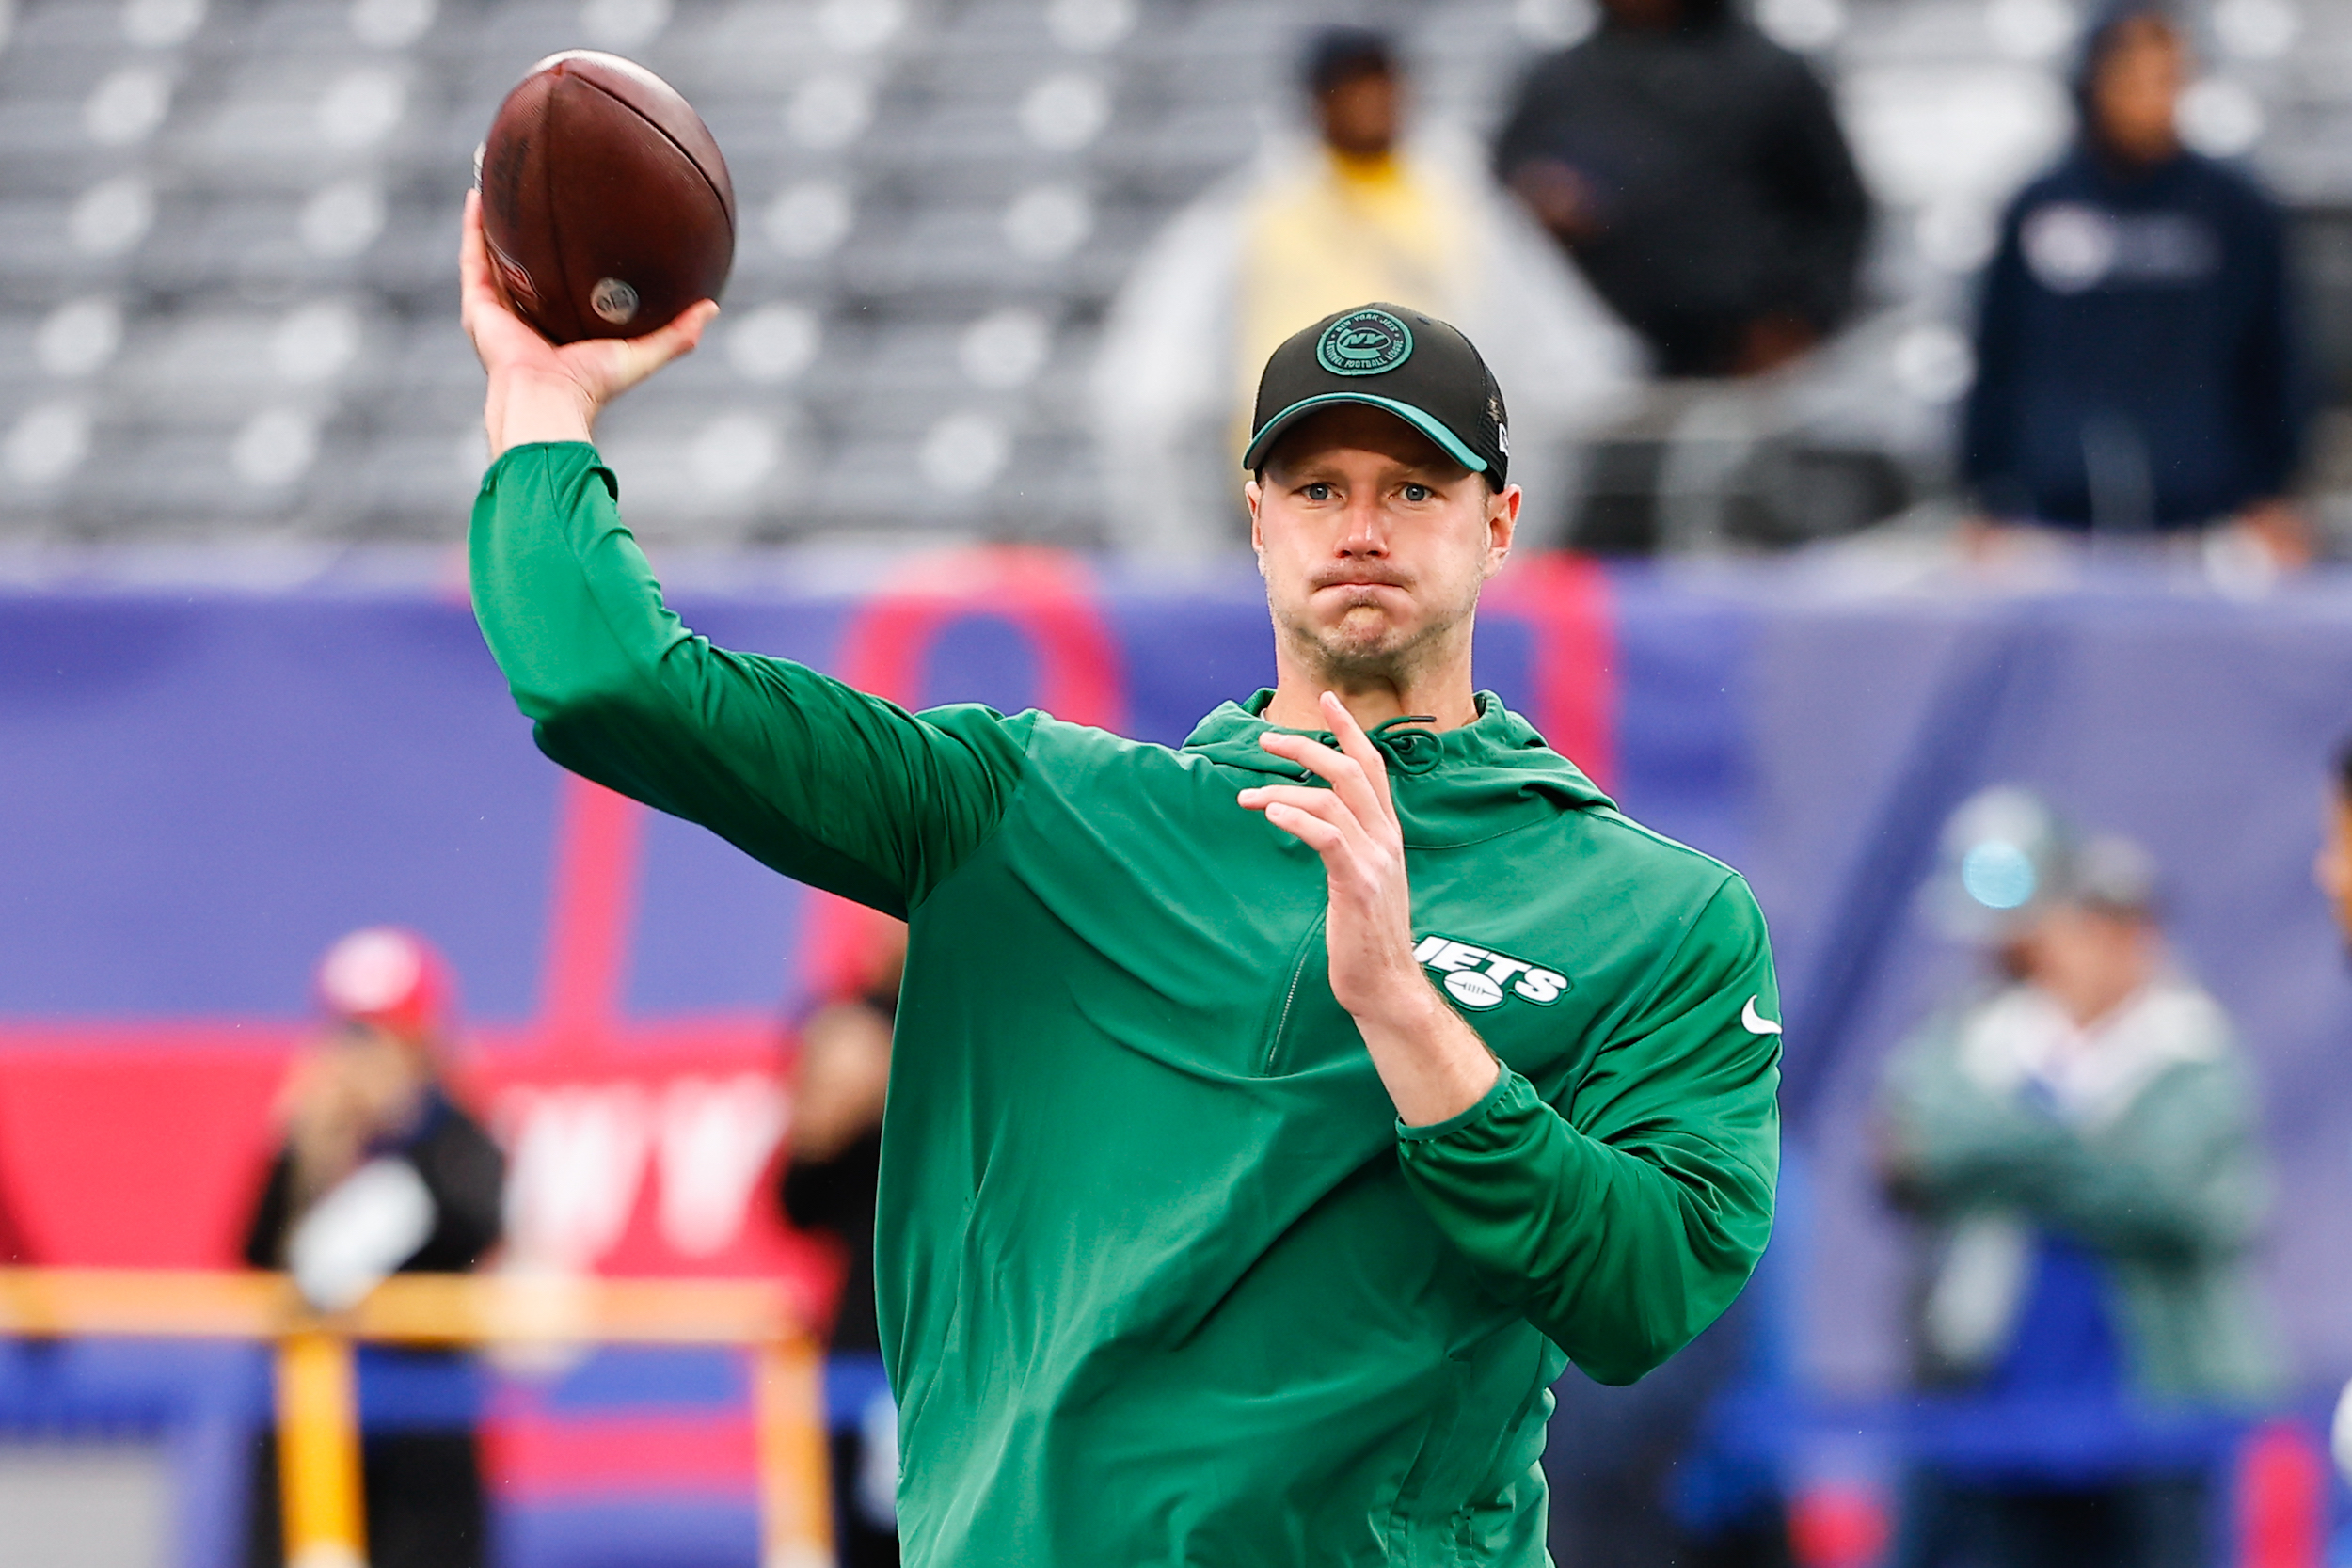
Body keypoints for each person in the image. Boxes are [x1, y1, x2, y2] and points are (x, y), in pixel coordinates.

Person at [462, 175, 1783, 1563]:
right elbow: (611, 683)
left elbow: (1648, 1291)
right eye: (1318, 485)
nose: (1364, 527)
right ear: (1257, 516)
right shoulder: (1027, 812)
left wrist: (1404, 1008)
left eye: (1415, 488)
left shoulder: (1655, 911)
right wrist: (541, 404)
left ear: (1500, 521)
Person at [1878, 791, 2275, 1568]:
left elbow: (2194, 1207)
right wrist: (2089, 1158)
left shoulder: (2195, 1051)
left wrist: (2017, 1159)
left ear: (2139, 934)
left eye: (2101, 926)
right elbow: (1916, 1152)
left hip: (2153, 1422)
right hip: (1989, 1414)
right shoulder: (1973, 1035)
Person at [1094, 24, 1638, 553]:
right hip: (1295, 485)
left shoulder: (1463, 211)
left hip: (1433, 488)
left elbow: (1565, 366)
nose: (1372, 101)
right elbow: (1158, 380)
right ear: (1315, 100)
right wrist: (1184, 547)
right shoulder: (1252, 216)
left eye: (1383, 84)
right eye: (1353, 86)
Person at [1961, 2, 2312, 567]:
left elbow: (2274, 354)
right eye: (2134, 77)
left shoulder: (2233, 211)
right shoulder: (2040, 206)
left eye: (2168, 77)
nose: (2153, 97)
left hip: (2206, 522)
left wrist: (2272, 488)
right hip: (2052, 521)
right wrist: (1986, 492)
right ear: (2094, 79)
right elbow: (1998, 354)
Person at [242, 927, 505, 1568]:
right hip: (315, 1416)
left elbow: (476, 1226)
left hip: (423, 1423)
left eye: (382, 1033)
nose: (361, 1054)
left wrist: (404, 1124)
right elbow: (257, 1256)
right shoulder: (314, 1140)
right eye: (348, 1032)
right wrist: (304, 1155)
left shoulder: (453, 1134)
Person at [1492, 0, 1869, 379]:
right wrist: (1539, 196)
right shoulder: (1557, 82)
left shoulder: (1771, 72)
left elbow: (1838, 211)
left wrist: (1800, 321)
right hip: (1591, 362)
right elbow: (1499, 191)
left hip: (1747, 359)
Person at [781, 916, 905, 1568]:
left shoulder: (1003, 1006)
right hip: (876, 1337)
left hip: (993, 1317)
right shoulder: (845, 1026)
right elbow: (796, 1205)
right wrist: (825, 1111)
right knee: (875, 1534)